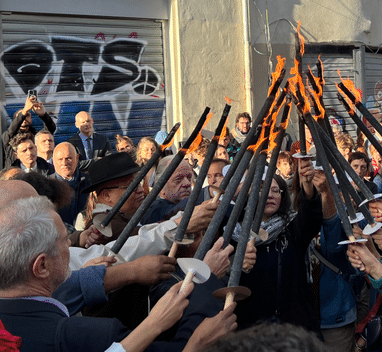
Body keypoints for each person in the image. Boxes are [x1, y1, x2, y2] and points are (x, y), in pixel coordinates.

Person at [0, 196, 237, 352]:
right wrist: (203, 281)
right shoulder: (80, 337)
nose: (73, 250)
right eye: (65, 243)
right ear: (41, 267)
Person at [235, 159, 323, 335]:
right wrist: (237, 264)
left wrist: (307, 186)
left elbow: (311, 219)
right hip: (252, 329)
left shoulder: (292, 227)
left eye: (275, 190)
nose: (269, 195)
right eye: (262, 189)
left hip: (293, 327)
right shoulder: (235, 232)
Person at [2, 94, 56, 168]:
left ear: (31, 119)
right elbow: (11, 131)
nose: (24, 118)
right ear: (15, 120)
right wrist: (24, 111)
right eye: (21, 116)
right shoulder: (8, 137)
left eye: (27, 115)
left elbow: (49, 131)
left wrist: (43, 114)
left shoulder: (34, 135)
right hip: (15, 173)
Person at [141, 156, 194, 225]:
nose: (187, 183)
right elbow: (171, 212)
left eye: (189, 177)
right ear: (161, 184)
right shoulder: (156, 210)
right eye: (178, 179)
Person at [52, 142, 90, 227]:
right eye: (60, 159)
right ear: (53, 161)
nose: (64, 163)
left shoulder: (90, 183)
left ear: (77, 158)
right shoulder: (45, 186)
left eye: (68, 158)